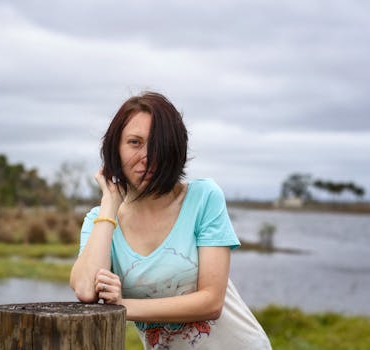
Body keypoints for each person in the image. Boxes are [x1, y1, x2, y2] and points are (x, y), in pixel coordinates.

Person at [69, 91, 271, 349]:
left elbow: (211, 302)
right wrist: (108, 207)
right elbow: (86, 291)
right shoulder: (100, 222)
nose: (147, 156)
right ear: (115, 148)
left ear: (174, 149)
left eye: (157, 144)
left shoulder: (203, 198)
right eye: (134, 142)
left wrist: (122, 306)